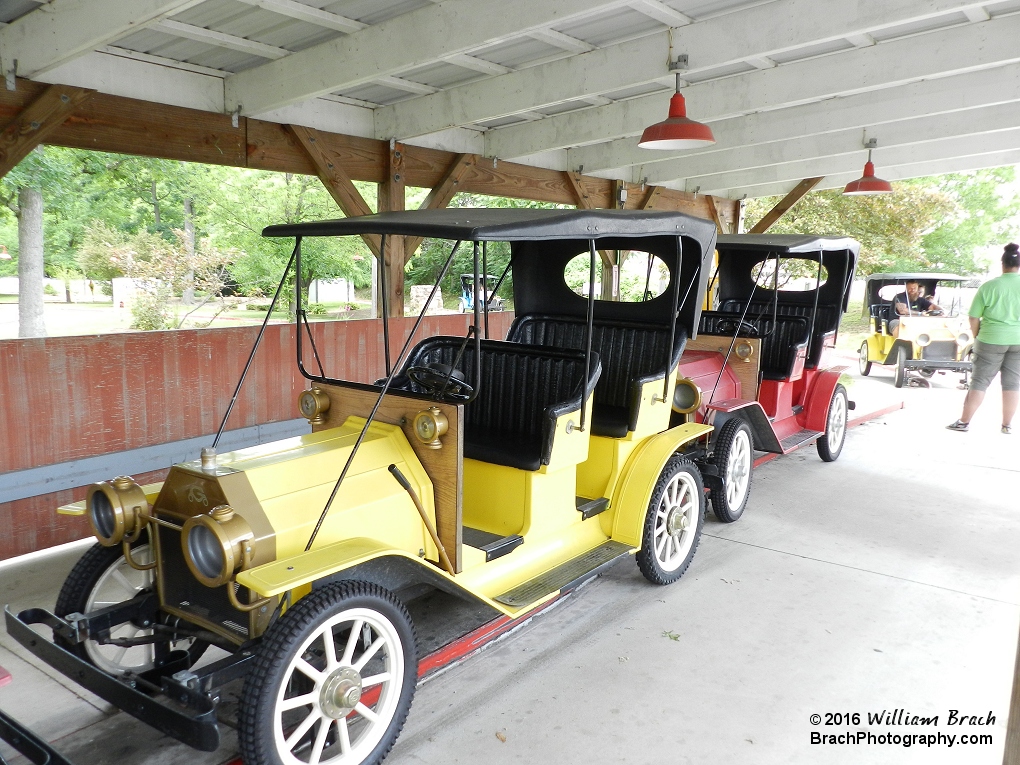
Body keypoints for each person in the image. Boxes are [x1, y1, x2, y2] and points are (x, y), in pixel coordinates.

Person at [947, 243, 1020, 434]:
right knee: (1013, 383)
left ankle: (964, 422)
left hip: (990, 339)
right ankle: (1006, 425)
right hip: (1018, 341)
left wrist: (977, 336)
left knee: (979, 381)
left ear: (1002, 264)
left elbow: (973, 317)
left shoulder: (989, 286)